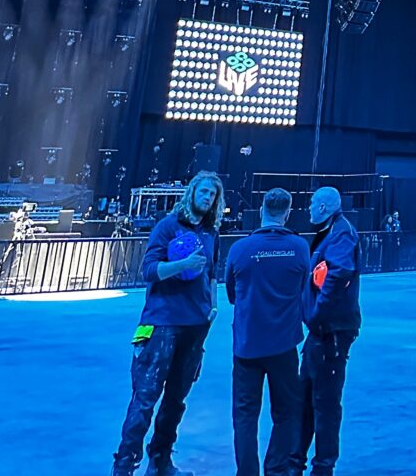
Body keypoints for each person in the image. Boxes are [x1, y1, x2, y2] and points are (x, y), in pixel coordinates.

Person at [112, 170, 224, 476]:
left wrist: (213, 306)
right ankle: (124, 466)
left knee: (176, 399)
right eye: (203, 191)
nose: (207, 198)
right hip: (162, 323)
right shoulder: (167, 226)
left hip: (196, 325)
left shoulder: (211, 233)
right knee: (145, 397)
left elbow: (212, 273)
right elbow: (149, 271)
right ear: (192, 192)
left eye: (212, 194)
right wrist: (182, 265)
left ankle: (160, 462)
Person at [225, 186, 308, 476]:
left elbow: (232, 295)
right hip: (284, 346)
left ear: (261, 210)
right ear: (287, 213)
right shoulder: (299, 247)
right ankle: (276, 469)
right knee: (286, 412)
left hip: (247, 346)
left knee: (245, 416)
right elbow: (304, 289)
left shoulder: (239, 249)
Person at [295, 185, 361, 476]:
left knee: (325, 402)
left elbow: (339, 272)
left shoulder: (342, 233)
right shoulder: (330, 232)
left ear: (323, 207)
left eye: (311, 203)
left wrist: (317, 311)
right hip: (321, 330)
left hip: (332, 330)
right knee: (306, 396)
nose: (308, 208)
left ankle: (323, 467)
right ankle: (295, 460)